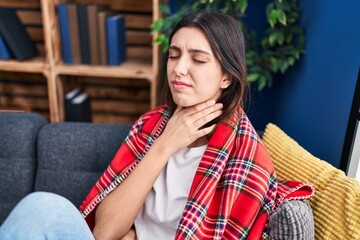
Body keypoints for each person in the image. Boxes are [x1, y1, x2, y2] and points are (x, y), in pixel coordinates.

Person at [0, 10, 278, 239]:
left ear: (227, 77)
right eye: (174, 55)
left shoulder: (247, 157)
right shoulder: (152, 125)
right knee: (43, 206)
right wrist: (165, 146)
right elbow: (105, 232)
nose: (179, 69)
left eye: (197, 59)